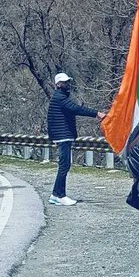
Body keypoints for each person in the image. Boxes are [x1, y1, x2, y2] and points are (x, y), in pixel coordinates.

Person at [46, 73, 106, 206]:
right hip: (63, 136)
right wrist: (96, 113)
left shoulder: (60, 97)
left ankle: (55, 195)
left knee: (64, 166)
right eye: (64, 82)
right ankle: (60, 195)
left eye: (68, 82)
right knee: (64, 166)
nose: (67, 84)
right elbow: (76, 109)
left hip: (63, 136)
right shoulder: (60, 98)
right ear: (58, 85)